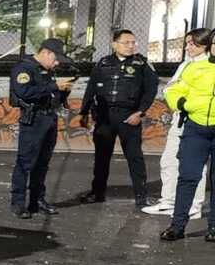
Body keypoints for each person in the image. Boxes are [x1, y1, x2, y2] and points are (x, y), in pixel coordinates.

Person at [77, 30, 159, 207]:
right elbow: (91, 88)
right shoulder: (103, 63)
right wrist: (83, 112)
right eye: (126, 42)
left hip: (128, 116)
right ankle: (97, 193)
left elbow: (151, 90)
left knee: (134, 157)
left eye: (133, 42)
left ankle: (141, 196)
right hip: (104, 117)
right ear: (114, 44)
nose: (131, 46)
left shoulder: (141, 64)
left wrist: (140, 112)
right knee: (101, 157)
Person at [142, 27, 211, 219]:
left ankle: (193, 206)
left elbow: (196, 94)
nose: (188, 48)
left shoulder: (208, 66)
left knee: (195, 165)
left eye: (193, 44)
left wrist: (183, 99)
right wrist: (179, 98)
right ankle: (169, 201)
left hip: (196, 121)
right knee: (170, 160)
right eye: (187, 43)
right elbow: (170, 89)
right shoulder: (186, 64)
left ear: (205, 45)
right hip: (179, 119)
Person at [9, 38, 75, 218]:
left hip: (49, 118)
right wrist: (54, 85)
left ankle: (37, 200)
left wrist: (63, 91)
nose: (57, 63)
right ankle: (18, 203)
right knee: (25, 163)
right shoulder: (24, 68)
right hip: (33, 120)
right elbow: (24, 92)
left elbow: (49, 93)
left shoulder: (47, 70)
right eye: (55, 59)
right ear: (45, 52)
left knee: (42, 163)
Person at [160, 34, 215, 242]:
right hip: (195, 129)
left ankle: (214, 227)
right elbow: (173, 90)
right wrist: (183, 104)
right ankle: (177, 226)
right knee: (188, 177)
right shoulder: (194, 67)